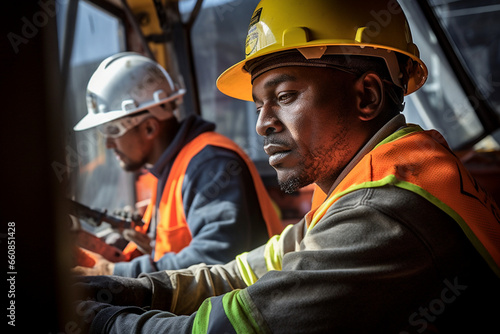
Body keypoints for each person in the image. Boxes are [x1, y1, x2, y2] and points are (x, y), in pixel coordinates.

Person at [74, 1, 500, 332]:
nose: (262, 123)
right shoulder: (359, 185)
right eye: (260, 103)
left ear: (366, 97)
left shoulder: (385, 212)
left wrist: (95, 321)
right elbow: (240, 272)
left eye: (285, 96)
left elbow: (227, 331)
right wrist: (126, 287)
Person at [71, 52, 283, 278]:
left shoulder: (211, 164)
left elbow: (217, 259)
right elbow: (172, 248)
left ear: (150, 128)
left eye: (112, 130)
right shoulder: (171, 170)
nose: (108, 144)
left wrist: (115, 272)